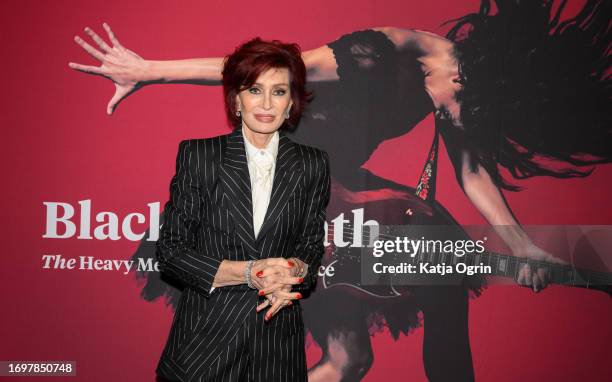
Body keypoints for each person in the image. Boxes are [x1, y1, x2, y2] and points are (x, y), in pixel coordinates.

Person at [70, 1, 610, 380]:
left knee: (351, 363)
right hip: (287, 178)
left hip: (341, 190)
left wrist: (522, 247)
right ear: (464, 68)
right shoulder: (378, 53)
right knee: (429, 248)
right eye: (456, 103)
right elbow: (267, 72)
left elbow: (471, 168)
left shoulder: (462, 89)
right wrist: (149, 70)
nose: (454, 115)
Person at [152, 38, 331, 381]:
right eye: (254, 90)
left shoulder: (312, 164)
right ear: (236, 100)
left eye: (278, 92)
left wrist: (292, 271)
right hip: (205, 346)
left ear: (291, 101)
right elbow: (171, 252)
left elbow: (310, 246)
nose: (266, 103)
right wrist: (250, 272)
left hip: (277, 349)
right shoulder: (200, 157)